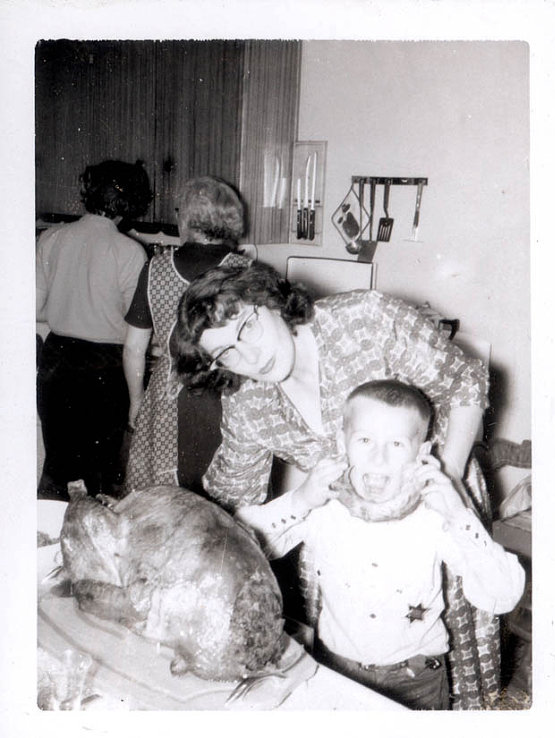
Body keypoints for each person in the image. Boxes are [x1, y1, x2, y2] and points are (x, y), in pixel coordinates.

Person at [172, 260, 501, 709]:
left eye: (246, 327)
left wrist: (443, 482)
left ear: (268, 301)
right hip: (339, 531)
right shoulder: (245, 400)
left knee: (443, 661)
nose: (249, 357)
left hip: (437, 500)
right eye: (226, 353)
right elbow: (231, 498)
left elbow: (465, 383)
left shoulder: (366, 320)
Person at [235, 379, 525, 710]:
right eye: (365, 440)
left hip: (416, 680)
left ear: (422, 453)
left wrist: (459, 514)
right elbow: (240, 546)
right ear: (342, 445)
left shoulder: (435, 517)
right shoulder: (322, 507)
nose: (378, 457)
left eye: (397, 444)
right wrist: (299, 500)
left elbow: (503, 594)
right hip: (335, 668)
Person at [122, 176, 250, 496]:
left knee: (165, 504)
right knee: (224, 501)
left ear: (186, 219)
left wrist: (136, 401)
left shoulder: (156, 269)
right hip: (228, 395)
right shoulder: (247, 270)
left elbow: (133, 349)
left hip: (167, 399)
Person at [36, 160, 153, 499]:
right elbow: (137, 327)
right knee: (99, 477)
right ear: (128, 203)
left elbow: (34, 306)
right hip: (105, 369)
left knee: (58, 466)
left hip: (56, 361)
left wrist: (71, 303)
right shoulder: (131, 252)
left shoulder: (51, 238)